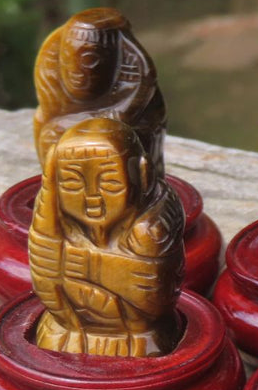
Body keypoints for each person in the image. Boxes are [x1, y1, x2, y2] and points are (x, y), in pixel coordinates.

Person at [29, 118, 184, 356]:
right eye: (71, 183)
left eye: (110, 182)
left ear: (142, 175)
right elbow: (48, 286)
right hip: (69, 332)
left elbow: (151, 301)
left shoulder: (150, 227)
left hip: (137, 339)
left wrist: (85, 264)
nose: (92, 197)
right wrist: (49, 192)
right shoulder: (55, 219)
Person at [34, 8, 166, 176]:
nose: (76, 70)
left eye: (89, 60)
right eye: (67, 56)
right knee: (45, 125)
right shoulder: (55, 110)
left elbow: (122, 120)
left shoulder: (141, 108)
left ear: (119, 59)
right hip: (68, 191)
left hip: (123, 186)